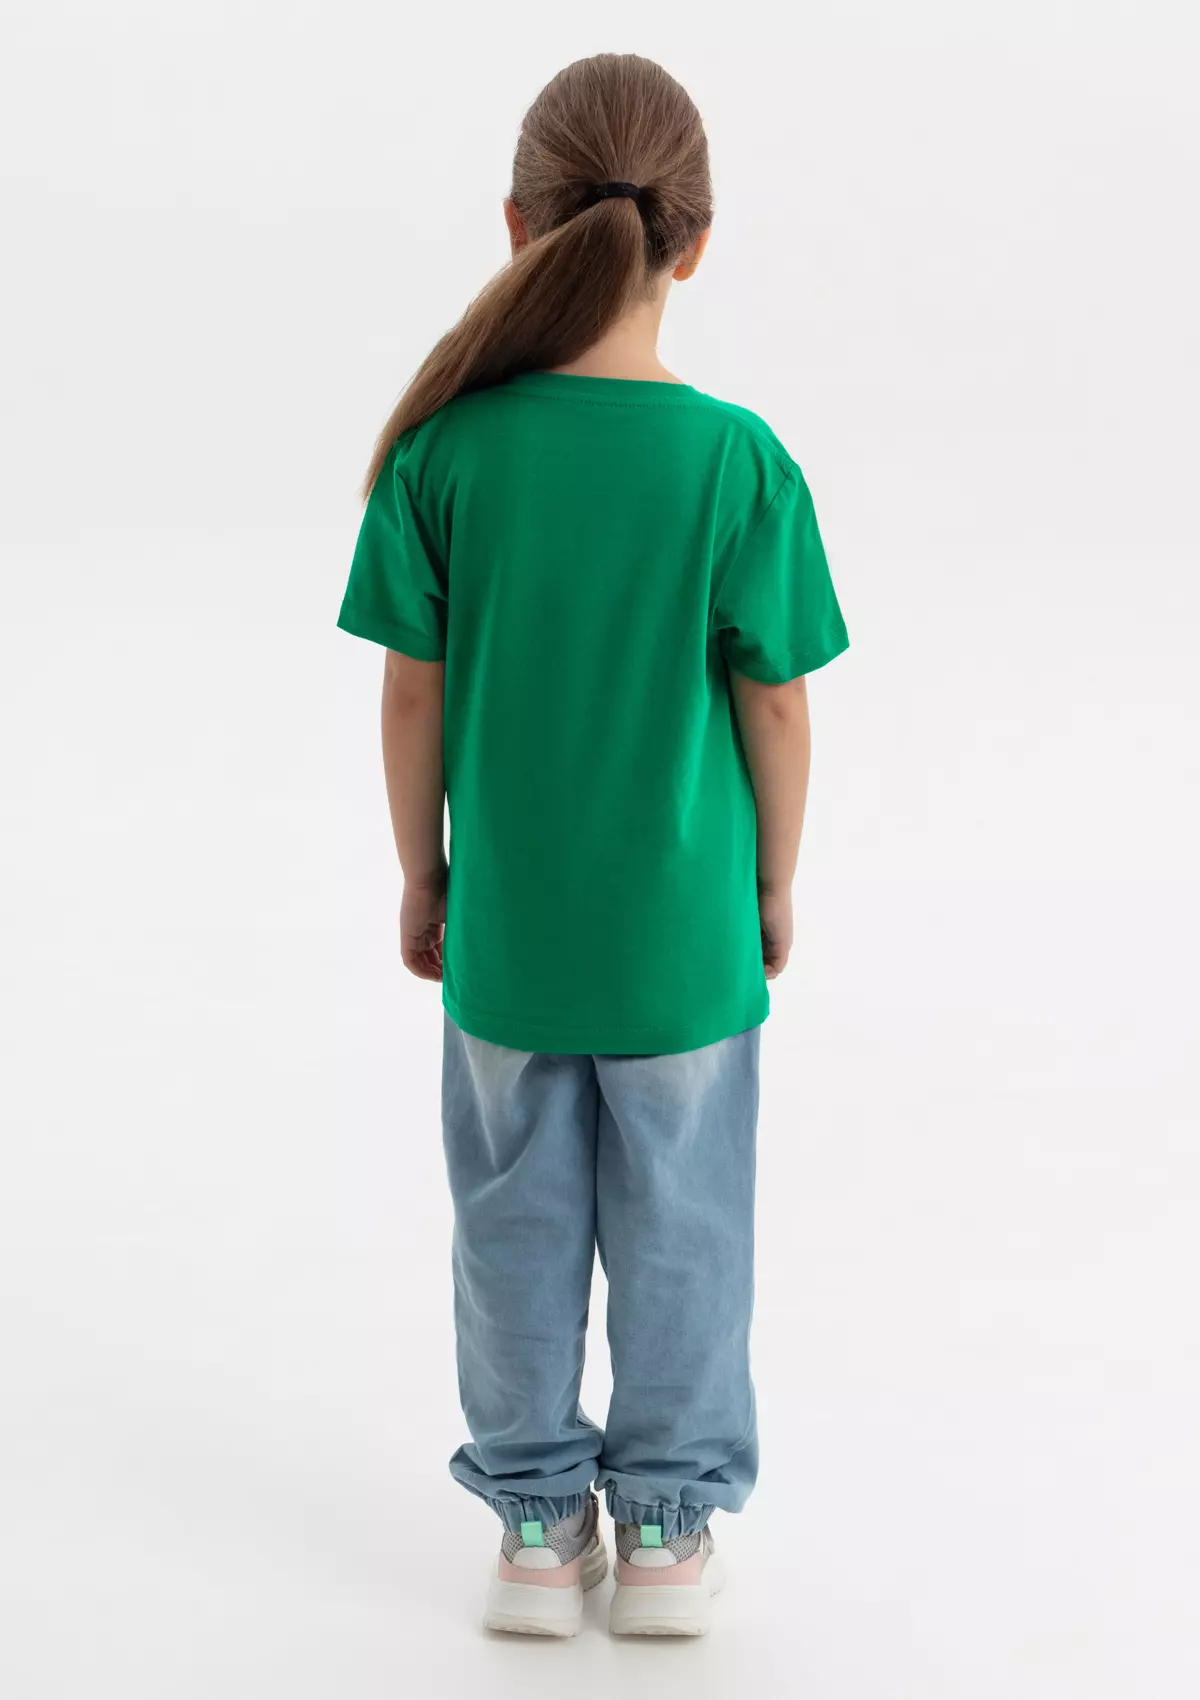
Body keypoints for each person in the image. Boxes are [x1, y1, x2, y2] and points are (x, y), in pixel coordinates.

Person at [337, 52, 848, 1638]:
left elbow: (412, 695)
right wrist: (773, 880)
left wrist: (424, 872)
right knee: (687, 1229)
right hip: (682, 943)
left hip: (509, 937)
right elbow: (776, 705)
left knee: (513, 1225)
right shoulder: (736, 461)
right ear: (696, 242)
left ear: (518, 225)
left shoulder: (444, 454)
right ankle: (671, 1535)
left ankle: (537, 1530)